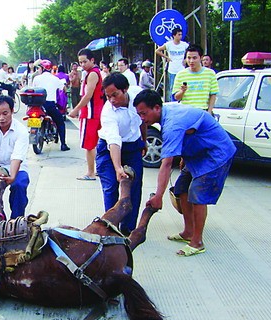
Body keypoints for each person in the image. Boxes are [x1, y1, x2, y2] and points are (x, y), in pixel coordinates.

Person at [133, 89, 236, 257]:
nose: (142, 118)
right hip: (197, 154)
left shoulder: (172, 124)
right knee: (181, 189)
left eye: (144, 113)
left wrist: (158, 196)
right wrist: (184, 157)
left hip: (215, 154)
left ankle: (197, 242)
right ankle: (188, 232)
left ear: (157, 108)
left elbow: (166, 164)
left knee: (197, 194)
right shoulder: (167, 114)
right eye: (139, 114)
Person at [97, 73, 147, 235]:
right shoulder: (108, 112)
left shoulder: (138, 96)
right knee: (111, 186)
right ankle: (110, 227)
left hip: (133, 147)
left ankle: (128, 228)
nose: (111, 100)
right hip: (109, 149)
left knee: (134, 187)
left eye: (115, 95)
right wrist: (118, 167)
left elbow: (143, 120)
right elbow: (114, 140)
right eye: (108, 96)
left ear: (125, 90)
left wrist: (143, 141)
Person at [0, 95, 30, 219]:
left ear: (12, 111)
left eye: (5, 113)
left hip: (17, 167)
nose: (1, 118)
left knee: (19, 186)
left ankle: (16, 221)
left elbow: (17, 156)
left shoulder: (21, 131)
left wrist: (13, 176)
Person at [69, 48, 104, 181]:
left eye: (84, 62)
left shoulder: (92, 74)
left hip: (90, 114)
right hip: (94, 112)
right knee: (96, 144)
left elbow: (88, 95)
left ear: (92, 60)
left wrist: (76, 110)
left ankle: (90, 172)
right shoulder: (91, 73)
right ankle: (96, 170)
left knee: (89, 145)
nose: (82, 65)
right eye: (80, 62)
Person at [33, 59, 70, 151]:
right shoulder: (55, 79)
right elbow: (63, 89)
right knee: (60, 122)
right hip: (49, 105)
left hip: (36, 105)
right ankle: (63, 145)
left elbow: (32, 89)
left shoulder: (36, 78)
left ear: (42, 68)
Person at [172, 44, 219, 113]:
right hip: (186, 112)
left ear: (201, 58)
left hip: (203, 111)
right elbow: (176, 97)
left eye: (194, 58)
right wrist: (182, 91)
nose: (191, 61)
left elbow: (213, 94)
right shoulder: (180, 74)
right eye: (189, 58)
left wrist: (209, 112)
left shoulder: (210, 73)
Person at [155, 28, 189, 101]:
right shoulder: (169, 44)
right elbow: (157, 51)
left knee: (182, 87)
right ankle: (173, 102)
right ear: (174, 35)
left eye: (181, 35)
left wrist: (186, 59)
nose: (180, 36)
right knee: (172, 88)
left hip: (181, 69)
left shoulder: (184, 45)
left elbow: (191, 51)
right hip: (172, 69)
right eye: (178, 35)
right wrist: (167, 57)